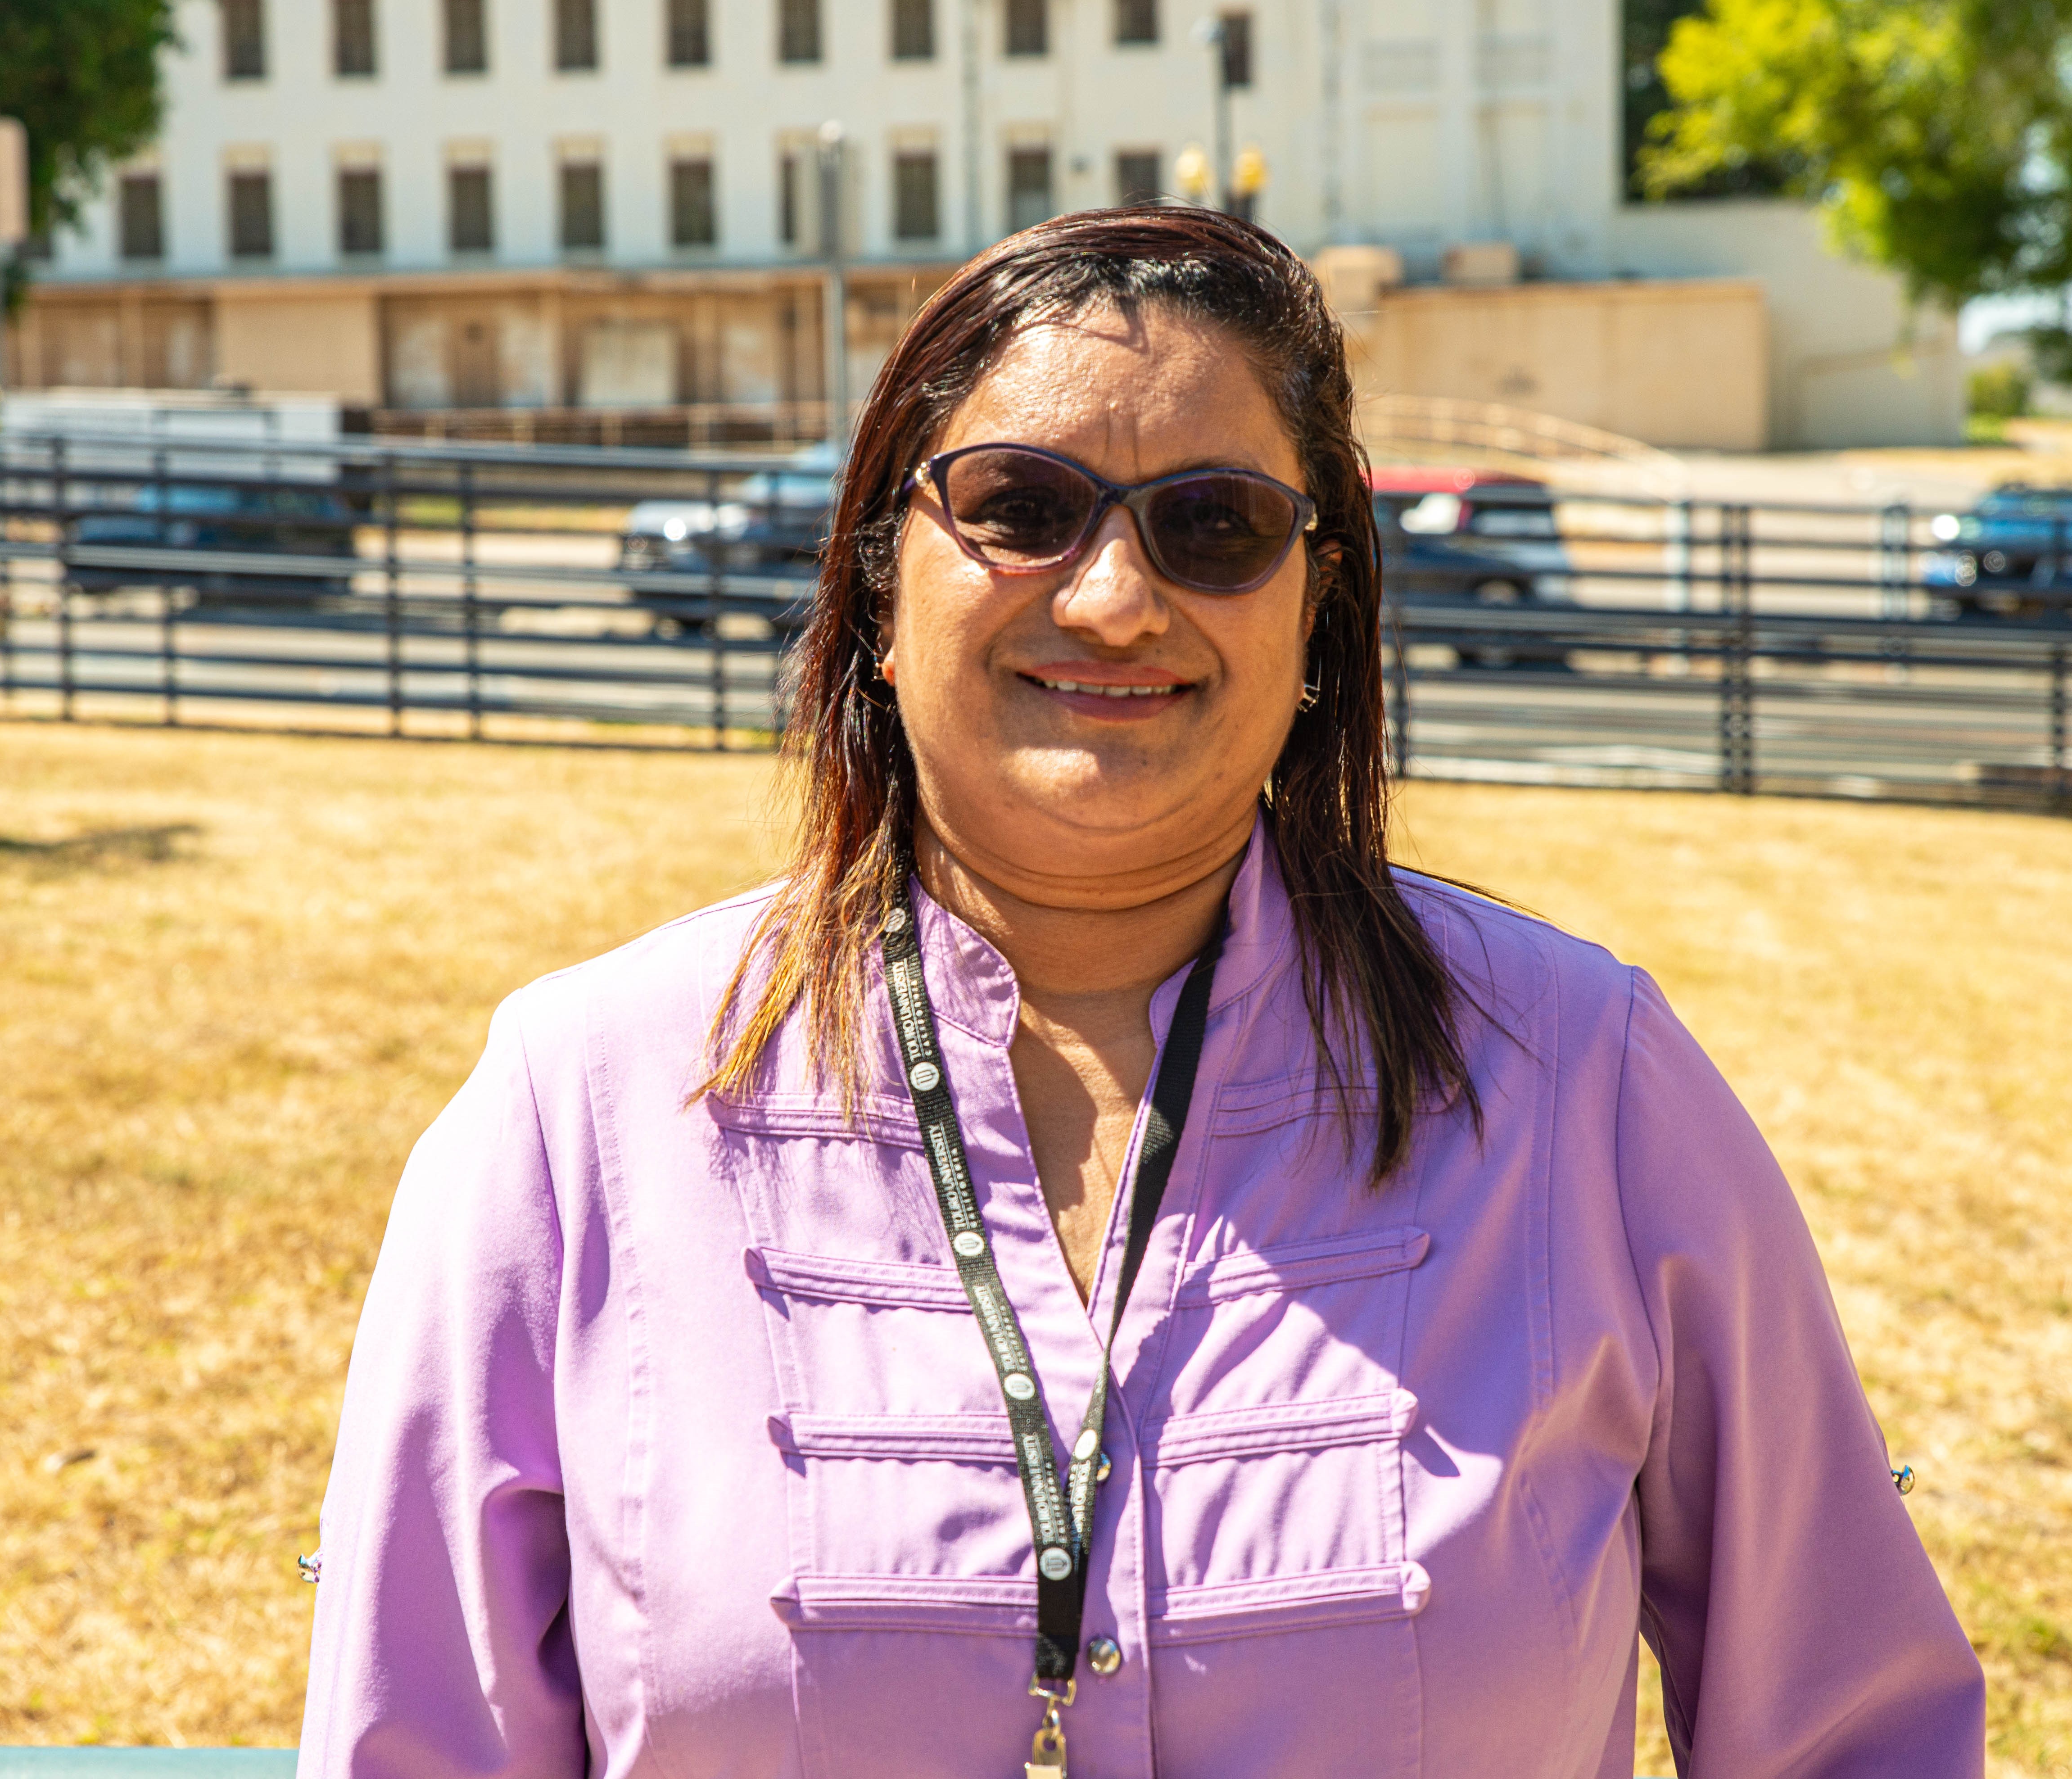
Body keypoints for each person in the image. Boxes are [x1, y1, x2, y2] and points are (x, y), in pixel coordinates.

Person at [297, 208, 1985, 1779]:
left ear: (1318, 610)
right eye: (1022, 508)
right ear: (884, 583)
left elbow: (1852, 1732)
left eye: (1215, 525)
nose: (1114, 598)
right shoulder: (578, 1111)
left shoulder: (1582, 1086)